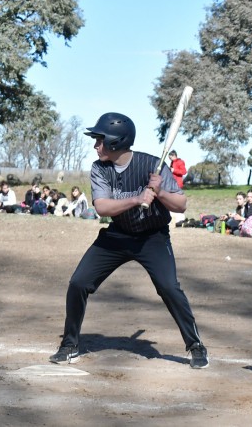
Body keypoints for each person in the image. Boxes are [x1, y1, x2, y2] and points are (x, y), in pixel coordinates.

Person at [49, 112, 208, 369]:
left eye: (100, 140)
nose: (95, 145)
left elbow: (180, 205)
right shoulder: (99, 168)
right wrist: (136, 199)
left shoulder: (152, 165)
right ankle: (69, 344)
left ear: (115, 141)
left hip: (152, 237)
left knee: (169, 287)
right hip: (118, 234)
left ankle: (195, 346)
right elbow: (102, 207)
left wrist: (160, 192)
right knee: (78, 283)